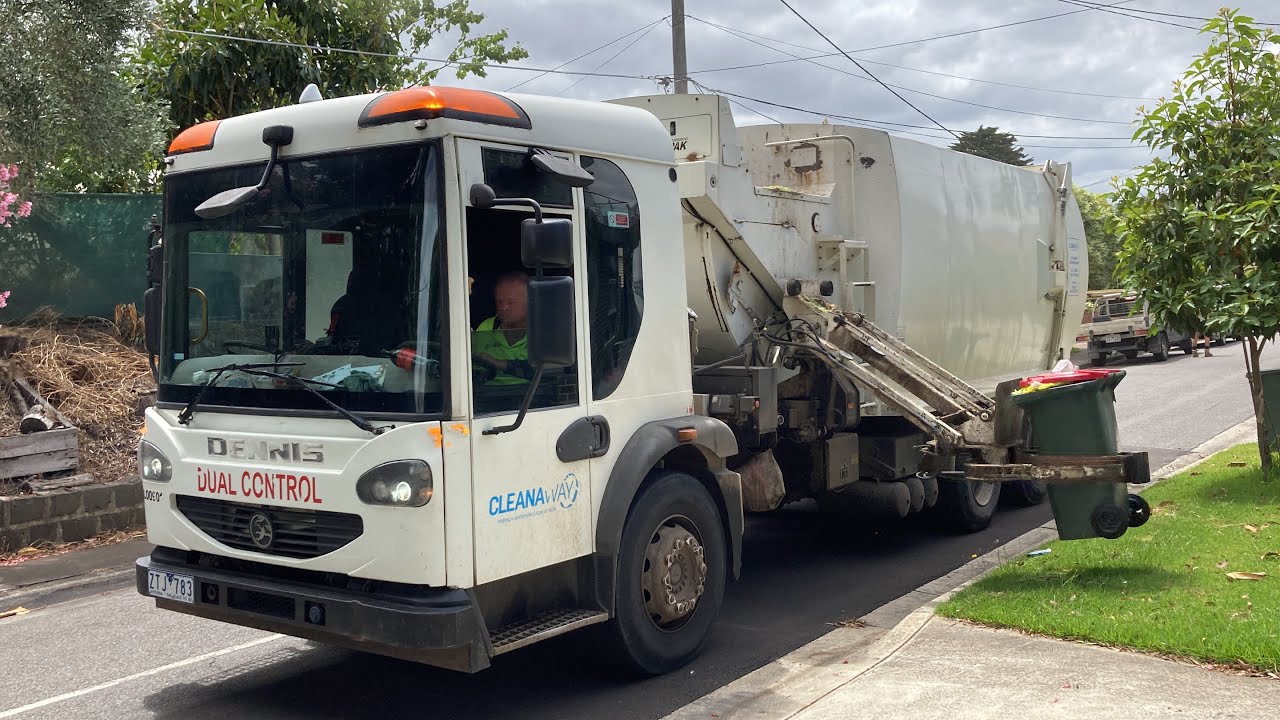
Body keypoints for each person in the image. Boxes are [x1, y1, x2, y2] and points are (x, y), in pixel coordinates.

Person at [472, 271, 532, 385]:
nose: (503, 308)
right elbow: (474, 369)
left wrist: (496, 362)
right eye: (499, 302)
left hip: (535, 397)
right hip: (488, 396)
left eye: (510, 302)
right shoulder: (487, 327)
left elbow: (549, 371)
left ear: (530, 302)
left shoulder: (544, 330)